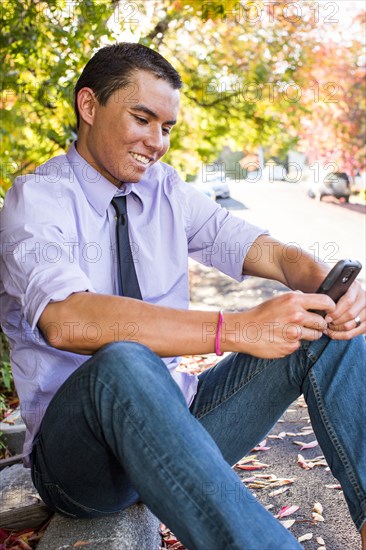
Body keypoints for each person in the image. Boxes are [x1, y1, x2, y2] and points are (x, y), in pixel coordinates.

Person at [0, 43, 365, 550]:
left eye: (166, 128)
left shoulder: (166, 190)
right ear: (89, 106)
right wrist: (236, 329)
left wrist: (329, 285)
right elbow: (68, 320)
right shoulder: (36, 200)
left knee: (324, 326)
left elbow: (273, 255)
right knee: (124, 361)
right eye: (143, 118)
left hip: (183, 424)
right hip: (82, 464)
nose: (156, 142)